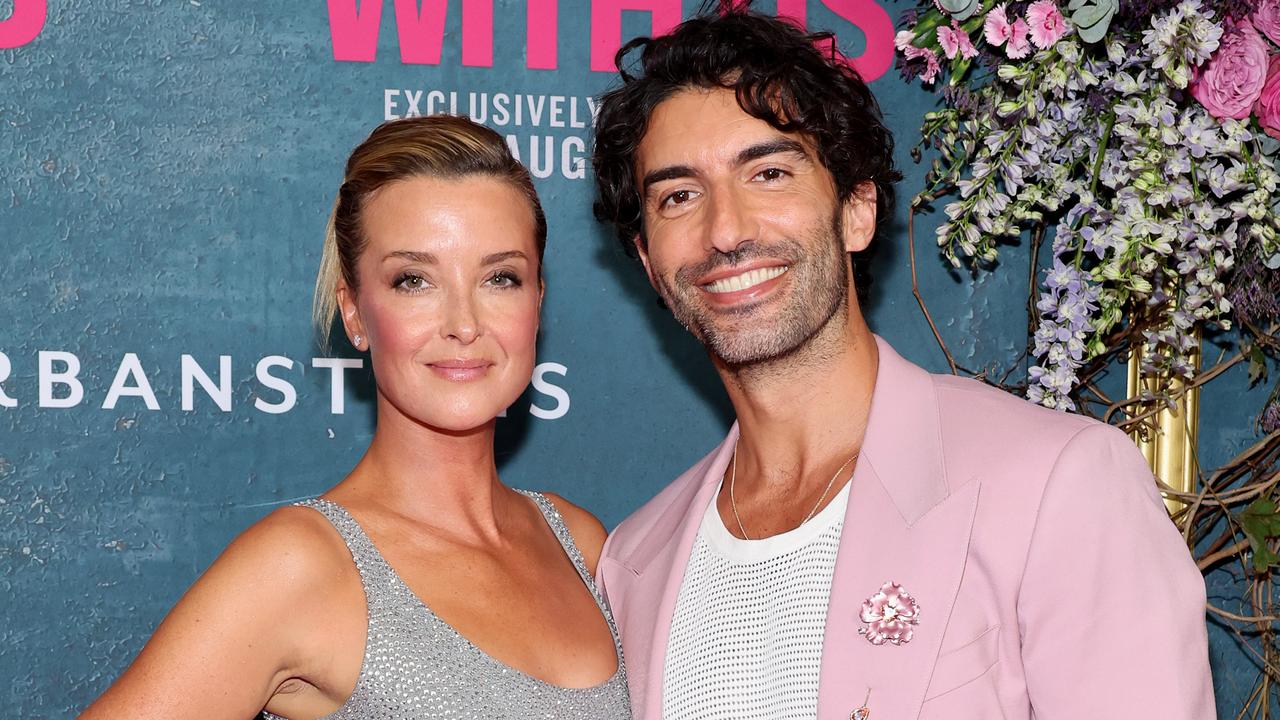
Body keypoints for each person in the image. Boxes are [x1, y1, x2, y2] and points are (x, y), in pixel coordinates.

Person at [590, 7, 1213, 720]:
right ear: (647, 260)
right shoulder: (634, 563)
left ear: (857, 210)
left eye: (766, 173)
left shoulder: (1056, 484)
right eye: (678, 196)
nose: (725, 230)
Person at [81, 116, 631, 720]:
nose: (465, 323)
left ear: (538, 301)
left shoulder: (579, 542)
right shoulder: (301, 565)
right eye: (414, 281)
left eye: (501, 278)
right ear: (355, 313)